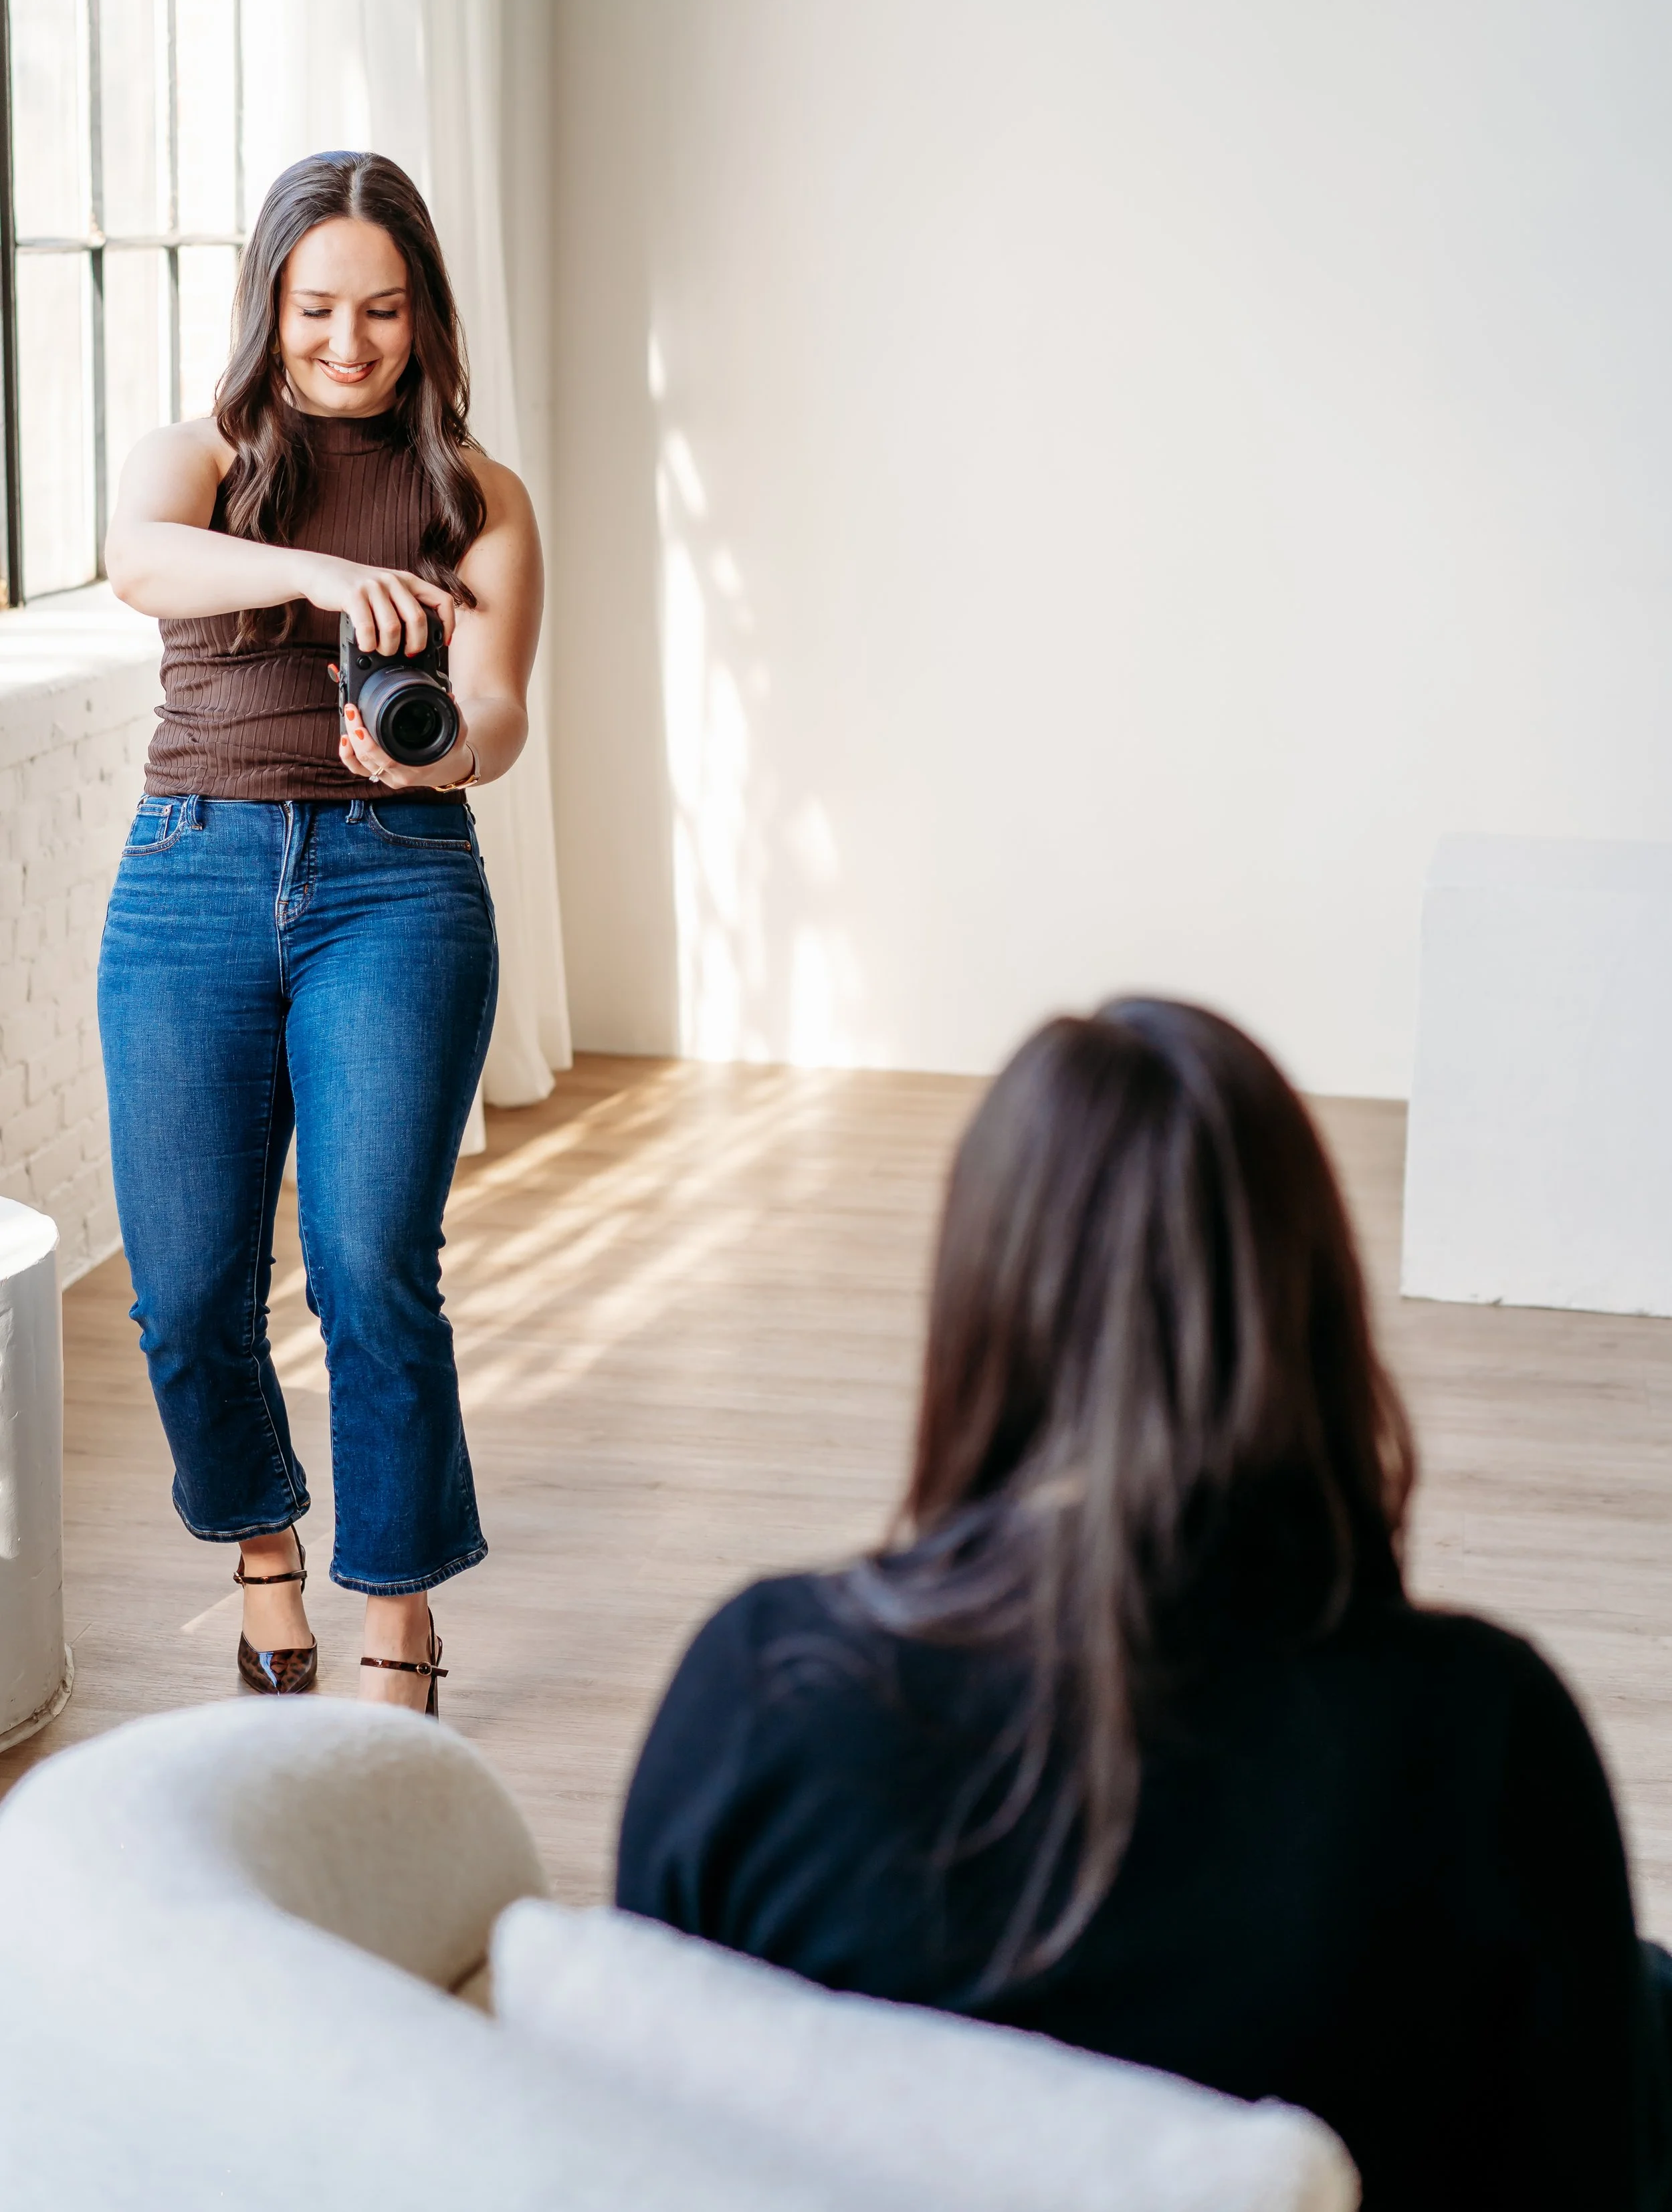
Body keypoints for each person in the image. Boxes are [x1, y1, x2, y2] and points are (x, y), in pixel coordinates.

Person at [618, 998, 1672, 2208]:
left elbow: (652, 2136)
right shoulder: (1488, 1737)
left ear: (979, 1306)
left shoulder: (761, 1690)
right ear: (1314, 1311)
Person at [100, 150, 543, 1714]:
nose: (347, 343)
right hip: (189, 878)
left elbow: (492, 710)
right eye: (315, 309)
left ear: (422, 314)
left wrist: (439, 752)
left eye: (381, 309)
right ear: (269, 306)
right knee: (185, 1291)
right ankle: (262, 1548)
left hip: (398, 883)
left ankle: (399, 1621)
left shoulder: (478, 498)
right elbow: (139, 564)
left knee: (371, 1269)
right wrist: (331, 583)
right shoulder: (198, 459)